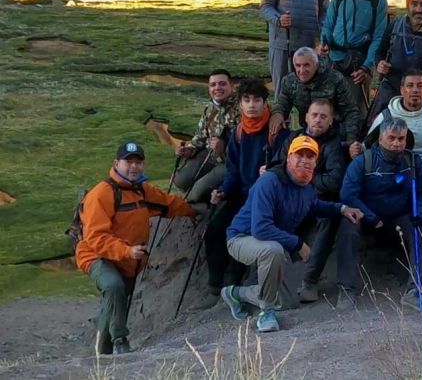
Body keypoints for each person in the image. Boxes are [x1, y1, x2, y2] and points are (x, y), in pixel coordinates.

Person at [221, 136, 363, 332]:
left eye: (310, 156)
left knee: (287, 301)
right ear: (289, 158)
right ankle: (267, 313)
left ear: (315, 162)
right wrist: (298, 244)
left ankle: (235, 293)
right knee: (273, 250)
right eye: (299, 155)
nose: (304, 160)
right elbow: (260, 228)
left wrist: (343, 209)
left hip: (272, 244)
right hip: (241, 239)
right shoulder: (269, 181)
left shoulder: (307, 187)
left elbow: (315, 206)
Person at [76, 142, 194, 354]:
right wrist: (127, 251)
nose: (133, 167)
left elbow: (168, 203)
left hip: (127, 261)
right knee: (113, 286)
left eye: (138, 162)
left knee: (114, 301)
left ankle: (102, 354)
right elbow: (96, 238)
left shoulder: (141, 190)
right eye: (128, 162)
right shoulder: (101, 193)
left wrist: (194, 211)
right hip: (95, 256)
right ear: (116, 163)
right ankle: (121, 341)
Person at [337, 118, 422, 309]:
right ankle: (346, 289)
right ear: (380, 139)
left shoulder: (413, 161)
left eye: (401, 139)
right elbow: (347, 195)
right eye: (391, 138)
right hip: (367, 217)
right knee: (347, 227)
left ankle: (414, 291)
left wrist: (419, 212)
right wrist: (371, 217)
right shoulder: (363, 161)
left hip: (400, 216)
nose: (396, 143)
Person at [206, 79, 283, 297]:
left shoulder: (276, 131)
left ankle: (234, 282)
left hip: (263, 198)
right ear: (240, 104)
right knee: (214, 230)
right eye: (247, 100)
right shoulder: (238, 133)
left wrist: (270, 173)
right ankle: (214, 284)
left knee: (241, 233)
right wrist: (223, 190)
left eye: (257, 100)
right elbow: (233, 171)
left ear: (265, 103)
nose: (252, 105)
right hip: (240, 195)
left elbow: (283, 166)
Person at [273, 100, 349, 303]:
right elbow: (277, 165)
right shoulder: (294, 137)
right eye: (314, 115)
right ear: (306, 116)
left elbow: (335, 180)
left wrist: (304, 178)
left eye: (324, 116)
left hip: (318, 197)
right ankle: (269, 280)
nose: (318, 120)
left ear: (331, 120)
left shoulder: (334, 144)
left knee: (328, 220)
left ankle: (310, 282)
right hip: (289, 195)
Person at [260, 0, 329, 99]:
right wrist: (278, 19)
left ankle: (308, 125)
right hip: (282, 46)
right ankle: (282, 124)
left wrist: (323, 40)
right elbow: (265, 6)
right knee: (282, 93)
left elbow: (326, 12)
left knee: (311, 94)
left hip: (309, 47)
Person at [320, 0, 388, 119]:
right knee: (329, 106)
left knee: (356, 111)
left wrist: (366, 67)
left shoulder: (378, 1)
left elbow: (379, 37)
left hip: (360, 64)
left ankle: (356, 143)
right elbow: (329, 23)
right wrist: (324, 42)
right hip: (334, 60)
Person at [363, 69, 422, 183]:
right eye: (410, 86)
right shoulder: (387, 115)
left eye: (420, 86)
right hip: (396, 180)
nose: (415, 90)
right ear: (402, 90)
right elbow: (368, 149)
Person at [269, 47, 362, 151]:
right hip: (307, 131)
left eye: (306, 65)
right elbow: (282, 104)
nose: (302, 70)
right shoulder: (289, 81)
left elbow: (351, 111)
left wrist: (350, 142)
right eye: (298, 66)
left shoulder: (335, 79)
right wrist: (277, 114)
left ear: (316, 65)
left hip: (334, 132)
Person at [173, 69, 240, 203]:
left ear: (231, 85)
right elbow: (199, 138)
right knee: (180, 180)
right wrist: (188, 150)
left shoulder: (242, 108)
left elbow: (246, 150)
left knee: (195, 194)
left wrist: (223, 149)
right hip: (210, 157)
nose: (217, 88)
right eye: (213, 85)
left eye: (222, 84)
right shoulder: (210, 108)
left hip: (230, 163)